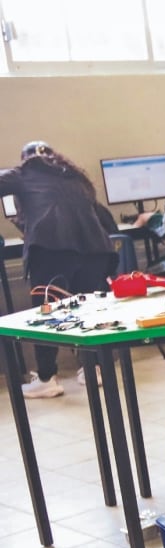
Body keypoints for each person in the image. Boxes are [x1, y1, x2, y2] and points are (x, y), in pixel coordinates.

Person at [0, 141, 117, 399]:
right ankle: (93, 368)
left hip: (52, 250)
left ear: (26, 159)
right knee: (87, 311)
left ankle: (46, 378)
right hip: (95, 252)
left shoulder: (26, 172)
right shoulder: (74, 176)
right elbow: (104, 220)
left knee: (46, 313)